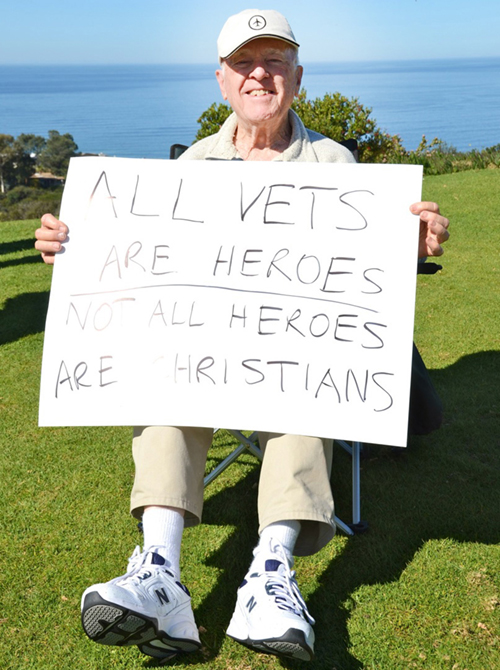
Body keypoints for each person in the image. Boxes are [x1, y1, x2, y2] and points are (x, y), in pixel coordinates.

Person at [35, 8, 450, 663]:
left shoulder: (335, 162)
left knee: (304, 392)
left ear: (297, 78)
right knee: (165, 385)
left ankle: (271, 574)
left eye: (274, 62)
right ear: (223, 81)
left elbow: (363, 275)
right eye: (245, 64)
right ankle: (159, 571)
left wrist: (410, 243)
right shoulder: (192, 165)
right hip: (205, 358)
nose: (260, 74)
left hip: (297, 356)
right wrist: (73, 244)